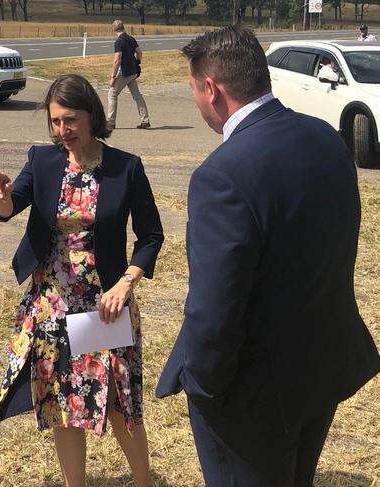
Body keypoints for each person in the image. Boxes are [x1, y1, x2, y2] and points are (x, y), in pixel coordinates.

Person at [156, 26, 380, 487]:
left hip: (253, 396)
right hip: (319, 367)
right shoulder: (326, 140)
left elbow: (214, 310)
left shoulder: (222, 176)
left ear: (212, 90)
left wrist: (203, 389)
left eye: (195, 90)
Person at [0, 74, 163, 487]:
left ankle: (143, 481)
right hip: (50, 303)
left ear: (92, 117)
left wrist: (127, 281)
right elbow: (12, 206)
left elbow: (152, 235)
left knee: (117, 402)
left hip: (103, 306)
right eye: (54, 121)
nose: (62, 130)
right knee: (61, 403)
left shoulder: (126, 168)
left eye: (70, 120)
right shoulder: (43, 161)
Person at [106, 20, 150, 130]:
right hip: (133, 72)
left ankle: (110, 122)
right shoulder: (131, 39)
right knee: (137, 96)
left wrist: (113, 76)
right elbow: (139, 52)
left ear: (114, 29)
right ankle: (145, 120)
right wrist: (137, 61)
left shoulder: (119, 42)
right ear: (123, 27)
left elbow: (117, 60)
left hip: (124, 73)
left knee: (112, 94)